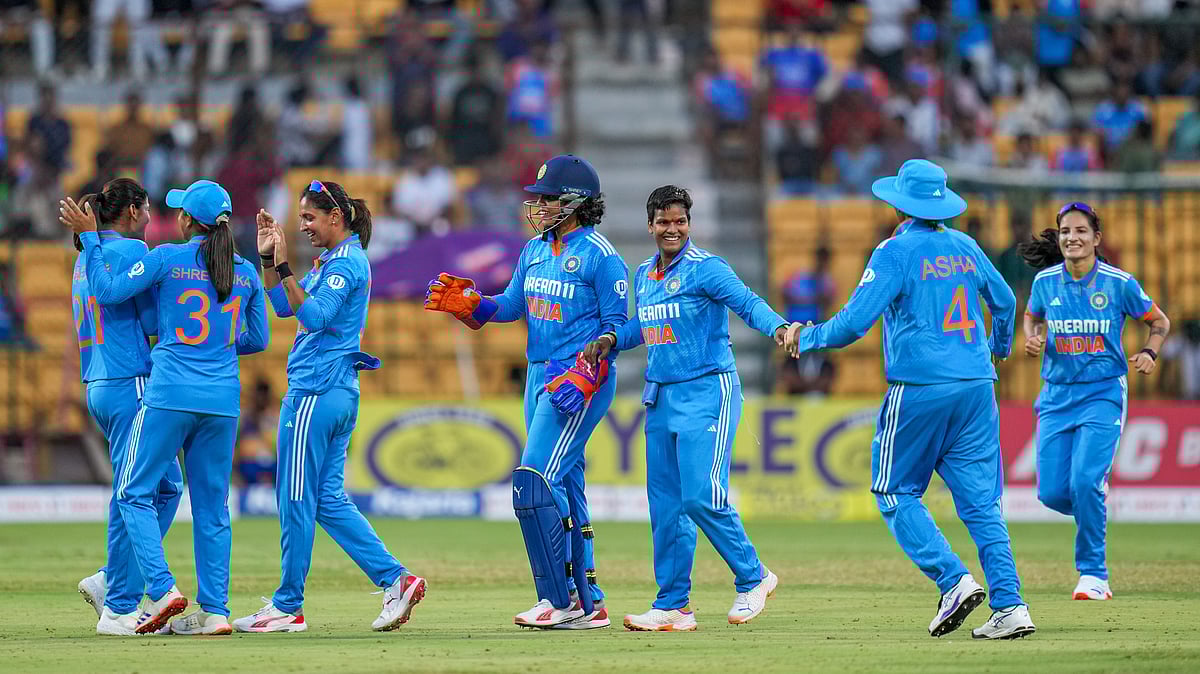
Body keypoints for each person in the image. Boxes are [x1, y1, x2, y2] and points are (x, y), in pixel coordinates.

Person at [786, 159, 1035, 640]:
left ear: (897, 202)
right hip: (977, 387)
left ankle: (953, 581)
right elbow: (1004, 301)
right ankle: (1011, 606)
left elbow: (855, 323)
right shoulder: (965, 245)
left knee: (893, 489)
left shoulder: (893, 251)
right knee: (983, 506)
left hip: (920, 388)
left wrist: (807, 337)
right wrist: (997, 347)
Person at [424, 155, 626, 630]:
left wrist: (587, 371)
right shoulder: (533, 249)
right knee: (567, 490)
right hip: (538, 375)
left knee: (533, 481)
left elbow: (617, 327)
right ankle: (588, 602)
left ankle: (559, 599)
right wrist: (473, 304)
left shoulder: (600, 254)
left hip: (577, 378)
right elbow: (513, 306)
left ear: (575, 202)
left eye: (547, 198)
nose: (537, 206)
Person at [59, 179, 268, 636]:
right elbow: (258, 339)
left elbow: (112, 293)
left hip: (164, 392)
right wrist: (216, 341)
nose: (164, 216)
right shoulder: (247, 271)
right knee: (213, 507)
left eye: (176, 211)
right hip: (222, 400)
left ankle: (144, 591)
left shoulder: (164, 258)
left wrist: (89, 238)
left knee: (134, 491)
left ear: (188, 221)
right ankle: (214, 612)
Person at [583, 185, 787, 631]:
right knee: (666, 507)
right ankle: (674, 604)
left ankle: (754, 577)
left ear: (688, 224)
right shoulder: (645, 274)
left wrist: (779, 327)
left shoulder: (706, 268)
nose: (671, 229)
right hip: (661, 396)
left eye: (679, 221)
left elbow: (747, 303)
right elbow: (648, 326)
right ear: (650, 225)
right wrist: (614, 338)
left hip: (707, 391)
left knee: (700, 497)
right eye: (663, 222)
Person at [233, 179, 427, 633]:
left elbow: (315, 317)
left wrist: (283, 264)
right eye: (301, 218)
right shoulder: (336, 261)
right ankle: (396, 580)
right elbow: (285, 307)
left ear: (335, 217)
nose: (303, 226)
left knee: (294, 498)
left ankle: (287, 605)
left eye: (309, 218)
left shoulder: (344, 265)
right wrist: (268, 259)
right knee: (327, 500)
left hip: (314, 393)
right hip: (335, 391)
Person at [1019, 202, 1171, 602]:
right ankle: (1093, 505)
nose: (1073, 238)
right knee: (1052, 493)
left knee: (1085, 481)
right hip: (1055, 395)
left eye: (1081, 231)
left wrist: (1150, 353)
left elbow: (1160, 321)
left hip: (1102, 393)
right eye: (1066, 231)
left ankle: (1094, 575)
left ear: (1096, 238)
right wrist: (1031, 336)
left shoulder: (1120, 284)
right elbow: (1031, 316)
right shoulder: (1045, 283)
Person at [68, 179, 183, 634]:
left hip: (98, 378)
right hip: (129, 379)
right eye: (148, 208)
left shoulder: (86, 258)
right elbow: (153, 320)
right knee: (137, 488)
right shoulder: (133, 253)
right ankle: (117, 604)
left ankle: (111, 582)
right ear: (133, 210)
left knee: (161, 485)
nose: (151, 216)